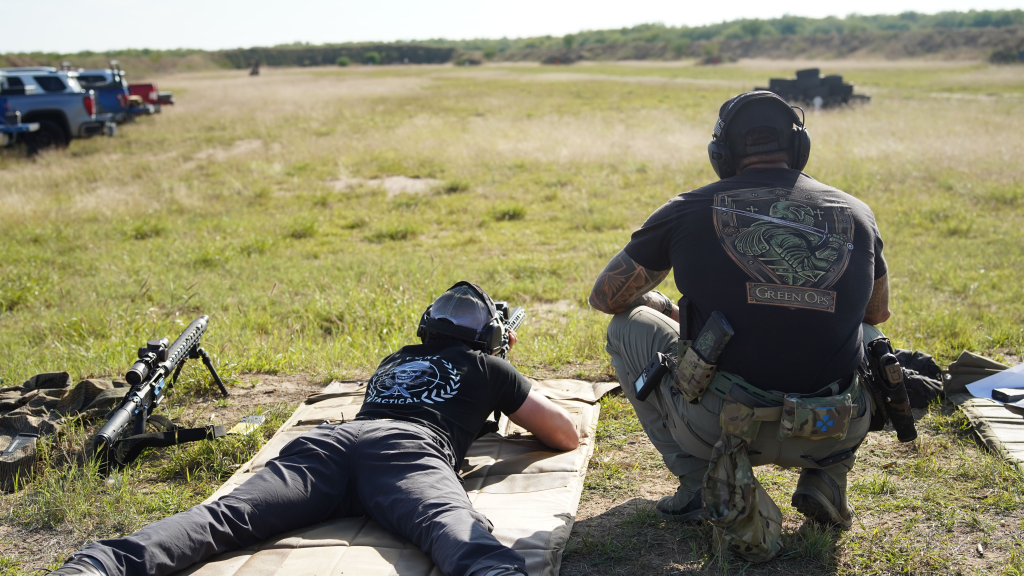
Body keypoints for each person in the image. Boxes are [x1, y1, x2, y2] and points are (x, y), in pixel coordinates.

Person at [50, 281, 579, 576]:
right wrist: (507, 377)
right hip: (407, 450)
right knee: (452, 527)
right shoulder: (489, 367)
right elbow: (562, 434)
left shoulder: (396, 359)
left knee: (225, 517)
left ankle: (97, 567)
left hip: (330, 443)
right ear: (491, 340)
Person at [589, 91, 891, 561]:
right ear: (800, 148)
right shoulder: (858, 213)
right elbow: (876, 313)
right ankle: (829, 476)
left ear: (720, 154)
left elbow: (606, 298)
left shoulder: (685, 208)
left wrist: (661, 302)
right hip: (834, 423)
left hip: (726, 426)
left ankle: (697, 482)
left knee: (626, 326)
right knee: (870, 337)